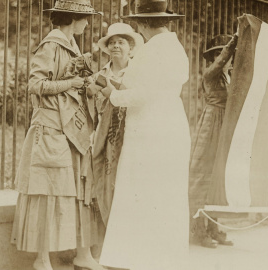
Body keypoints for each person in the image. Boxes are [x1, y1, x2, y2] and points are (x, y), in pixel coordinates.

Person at [10, 1, 106, 270]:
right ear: (73, 18)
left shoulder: (71, 45)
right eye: (85, 19)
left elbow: (72, 87)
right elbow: (35, 84)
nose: (87, 24)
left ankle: (83, 255)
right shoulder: (51, 45)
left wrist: (87, 84)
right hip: (51, 128)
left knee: (78, 190)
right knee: (48, 192)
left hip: (72, 129)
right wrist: (71, 83)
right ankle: (42, 260)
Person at [96, 0, 191, 269]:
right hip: (171, 123)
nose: (139, 28)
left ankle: (137, 259)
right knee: (164, 195)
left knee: (142, 192)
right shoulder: (175, 47)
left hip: (151, 129)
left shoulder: (153, 50)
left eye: (138, 23)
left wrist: (111, 94)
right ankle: (161, 259)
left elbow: (142, 95)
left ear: (146, 23)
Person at [87, 22, 144, 258]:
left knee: (130, 188)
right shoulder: (99, 76)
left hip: (132, 135)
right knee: (104, 185)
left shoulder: (139, 73)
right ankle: (107, 245)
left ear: (131, 47)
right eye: (112, 42)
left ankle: (129, 245)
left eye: (121, 42)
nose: (116, 46)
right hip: (105, 137)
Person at [188, 34, 237, 248]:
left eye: (224, 53)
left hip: (225, 127)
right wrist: (233, 43)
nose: (222, 58)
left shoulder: (233, 78)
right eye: (217, 54)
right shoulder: (210, 75)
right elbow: (220, 64)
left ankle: (213, 226)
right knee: (202, 176)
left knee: (218, 177)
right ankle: (198, 230)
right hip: (210, 124)